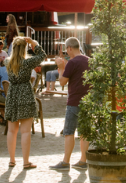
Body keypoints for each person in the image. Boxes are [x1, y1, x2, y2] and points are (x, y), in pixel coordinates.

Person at [50, 37, 90, 171]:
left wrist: (61, 67)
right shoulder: (89, 60)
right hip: (87, 100)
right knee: (85, 132)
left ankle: (66, 161)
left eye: (66, 50)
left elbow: (62, 82)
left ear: (69, 48)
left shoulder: (72, 63)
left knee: (69, 132)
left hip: (74, 101)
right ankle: (83, 160)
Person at [4, 37, 45, 169]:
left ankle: (11, 160)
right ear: (24, 48)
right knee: (25, 132)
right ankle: (26, 161)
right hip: (25, 93)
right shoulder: (28, 62)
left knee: (11, 131)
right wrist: (34, 43)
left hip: (12, 94)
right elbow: (42, 55)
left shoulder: (7, 62)